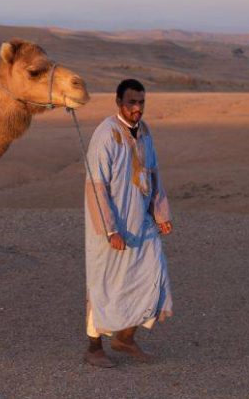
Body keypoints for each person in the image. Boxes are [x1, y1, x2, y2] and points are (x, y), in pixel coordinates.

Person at [82, 78, 173, 368]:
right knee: (104, 286)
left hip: (141, 222)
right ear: (119, 102)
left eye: (141, 102)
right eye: (132, 102)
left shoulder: (145, 132)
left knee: (153, 276)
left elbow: (153, 173)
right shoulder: (105, 134)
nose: (137, 108)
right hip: (111, 228)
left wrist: (161, 213)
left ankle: (125, 338)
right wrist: (110, 230)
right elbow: (96, 187)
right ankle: (94, 348)